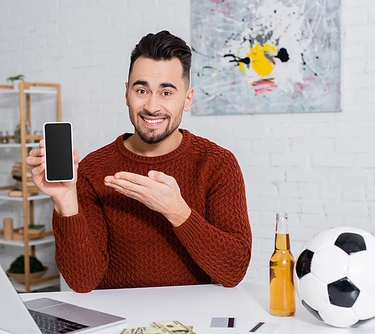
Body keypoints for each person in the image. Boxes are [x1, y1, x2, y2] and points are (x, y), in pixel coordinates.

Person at [26, 30, 252, 293]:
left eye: (166, 93)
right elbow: (82, 282)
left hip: (194, 321)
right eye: (142, 90)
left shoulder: (217, 164)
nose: (152, 106)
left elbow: (233, 271)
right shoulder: (92, 170)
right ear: (126, 94)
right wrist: (65, 202)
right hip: (119, 322)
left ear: (187, 99)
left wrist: (177, 211)